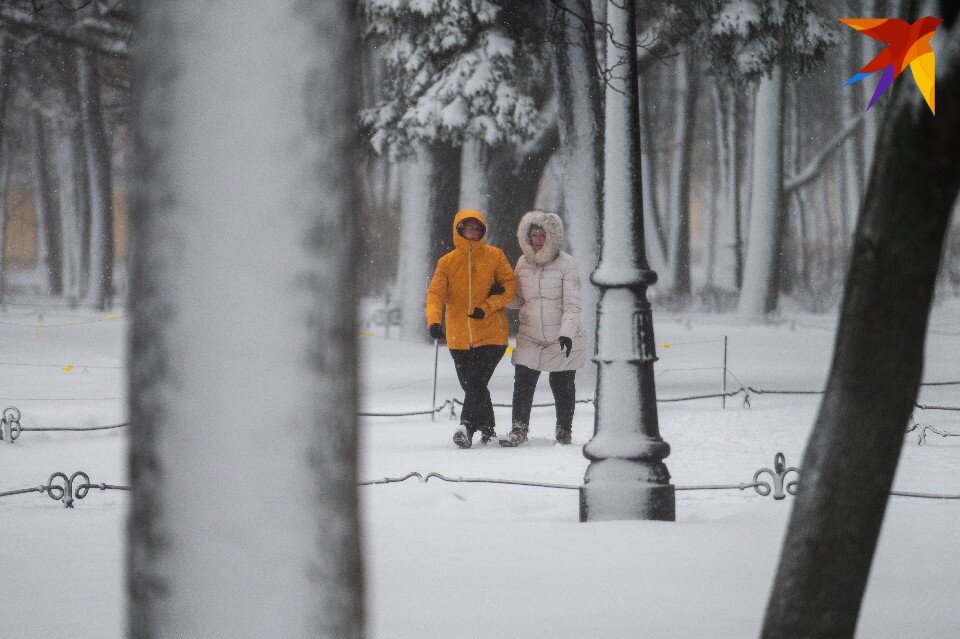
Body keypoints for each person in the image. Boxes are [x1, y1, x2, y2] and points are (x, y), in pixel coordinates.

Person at [425, 210, 516, 448]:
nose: (473, 233)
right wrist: (434, 321)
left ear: (483, 231)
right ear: (459, 230)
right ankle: (489, 430)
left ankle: (466, 427)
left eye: (477, 228)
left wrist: (486, 307)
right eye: (469, 228)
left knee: (475, 382)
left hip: (492, 334)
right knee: (473, 386)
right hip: (458, 336)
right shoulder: (447, 262)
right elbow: (435, 294)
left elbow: (509, 287)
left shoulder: (495, 256)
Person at [500, 210, 586, 447]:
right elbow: (518, 299)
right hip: (531, 334)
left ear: (553, 236)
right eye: (534, 235)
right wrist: (500, 296)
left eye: (542, 234)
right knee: (523, 381)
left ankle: (563, 431)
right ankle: (518, 429)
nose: (538, 240)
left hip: (562, 336)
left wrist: (567, 332)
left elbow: (572, 303)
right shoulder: (522, 262)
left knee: (562, 384)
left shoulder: (568, 264)